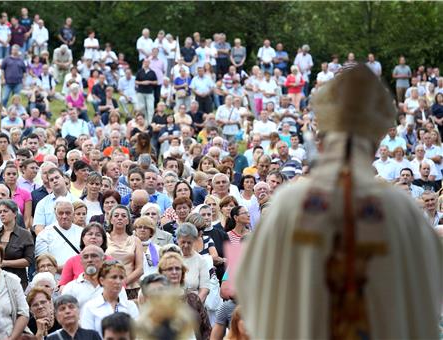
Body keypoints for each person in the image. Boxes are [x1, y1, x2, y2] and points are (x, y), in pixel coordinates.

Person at [236, 65, 442, 339]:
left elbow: (254, 294)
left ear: (321, 138)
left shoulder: (289, 204)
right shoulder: (402, 211)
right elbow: (424, 307)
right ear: (377, 137)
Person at [157, 252, 212, 340]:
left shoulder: (193, 298)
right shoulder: (156, 300)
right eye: (170, 269)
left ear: (182, 272)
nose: (174, 272)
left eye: (178, 268)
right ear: (162, 273)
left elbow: (206, 329)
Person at [80, 261, 139, 337]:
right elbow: (87, 336)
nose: (118, 282)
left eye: (121, 278)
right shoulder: (90, 307)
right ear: (102, 280)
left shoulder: (130, 306)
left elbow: (136, 335)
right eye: (114, 277)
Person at [0, 199, 34, 289]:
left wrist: (5, 263)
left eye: (5, 211)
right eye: (0, 212)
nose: (2, 214)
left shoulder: (25, 234)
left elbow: (28, 260)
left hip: (17, 281)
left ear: (15, 213)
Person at [35, 199, 83, 275]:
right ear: (56, 215)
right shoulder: (44, 234)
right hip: (54, 280)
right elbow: (43, 262)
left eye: (68, 213)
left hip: (78, 277)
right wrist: (69, 268)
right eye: (61, 213)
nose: (64, 216)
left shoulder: (83, 232)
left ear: (73, 215)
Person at [105, 205, 144, 299]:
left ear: (127, 221)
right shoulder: (103, 238)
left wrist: (123, 283)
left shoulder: (136, 240)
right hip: (107, 287)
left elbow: (140, 269)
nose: (120, 218)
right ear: (110, 220)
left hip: (131, 288)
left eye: (123, 216)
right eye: (116, 215)